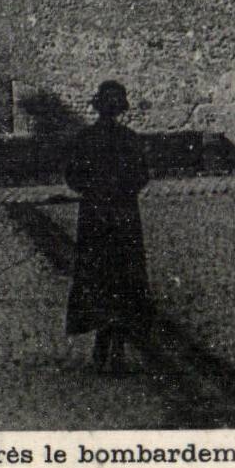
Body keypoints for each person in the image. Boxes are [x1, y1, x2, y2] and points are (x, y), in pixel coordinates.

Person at [65, 80, 151, 376]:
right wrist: (122, 191)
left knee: (98, 278)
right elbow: (142, 176)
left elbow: (73, 178)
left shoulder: (85, 138)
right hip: (124, 217)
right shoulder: (131, 139)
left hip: (94, 218)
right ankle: (116, 346)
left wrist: (95, 191)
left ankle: (103, 344)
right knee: (123, 279)